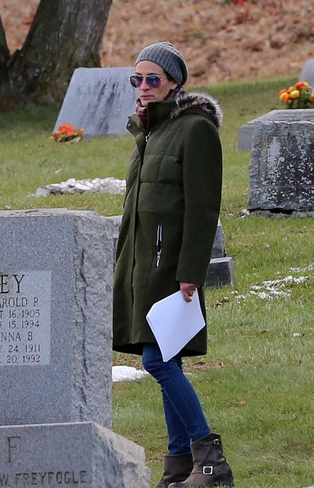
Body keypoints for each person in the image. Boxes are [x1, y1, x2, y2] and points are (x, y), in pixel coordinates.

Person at [113, 42, 233, 488]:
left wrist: (190, 273)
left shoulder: (195, 130)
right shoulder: (148, 132)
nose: (143, 88)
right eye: (137, 79)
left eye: (153, 80)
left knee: (158, 361)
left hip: (172, 271)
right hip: (142, 267)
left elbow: (203, 207)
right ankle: (179, 465)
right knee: (169, 361)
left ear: (175, 84)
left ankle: (210, 459)